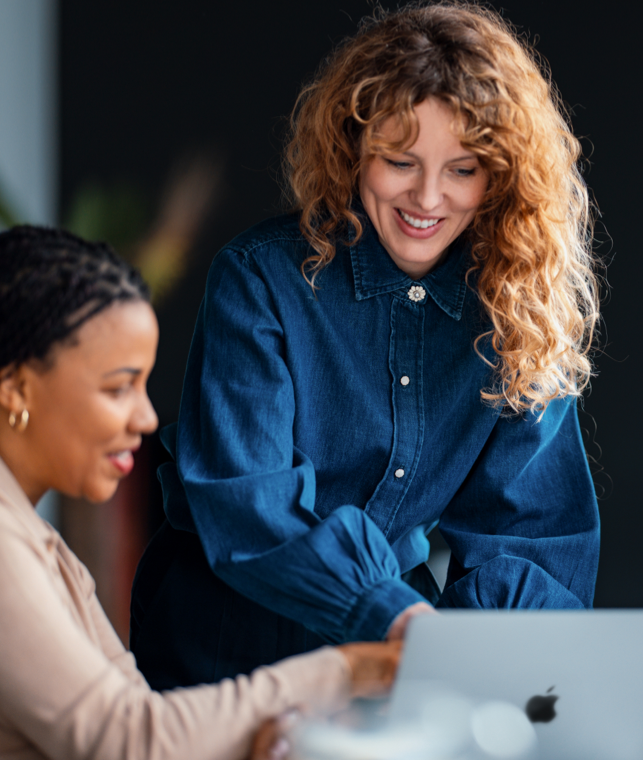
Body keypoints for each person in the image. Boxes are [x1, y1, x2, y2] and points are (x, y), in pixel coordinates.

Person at [130, 2, 601, 690]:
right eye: (399, 161)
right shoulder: (259, 278)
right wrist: (401, 621)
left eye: (463, 169)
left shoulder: (516, 310)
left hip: (395, 666)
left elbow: (532, 541)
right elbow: (250, 507)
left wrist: (479, 661)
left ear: (501, 177)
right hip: (225, 651)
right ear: (353, 148)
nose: (427, 196)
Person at [0, 225, 401, 760]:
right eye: (118, 387)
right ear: (16, 388)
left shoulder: (37, 543)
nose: (146, 418)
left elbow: (140, 717)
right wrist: (348, 669)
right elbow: (127, 739)